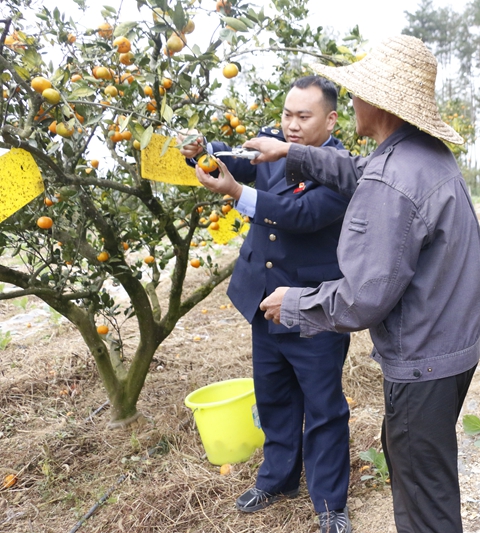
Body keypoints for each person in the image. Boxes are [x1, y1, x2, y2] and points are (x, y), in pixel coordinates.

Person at [247, 35, 480, 533]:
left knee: (425, 499)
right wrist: (290, 152)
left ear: (377, 102)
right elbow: (358, 170)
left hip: (423, 359)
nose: (351, 101)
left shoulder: (392, 182)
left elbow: (364, 298)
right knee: (425, 474)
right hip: (452, 345)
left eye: (357, 92)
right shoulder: (420, 154)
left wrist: (296, 304)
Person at [179, 76, 353, 533]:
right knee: (274, 397)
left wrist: (237, 194)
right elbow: (234, 155)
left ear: (330, 119)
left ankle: (330, 502)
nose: (291, 126)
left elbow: (300, 215)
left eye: (304, 117)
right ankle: (278, 479)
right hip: (265, 303)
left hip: (313, 307)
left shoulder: (339, 167)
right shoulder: (273, 144)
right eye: (287, 115)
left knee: (323, 407)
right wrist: (200, 150)